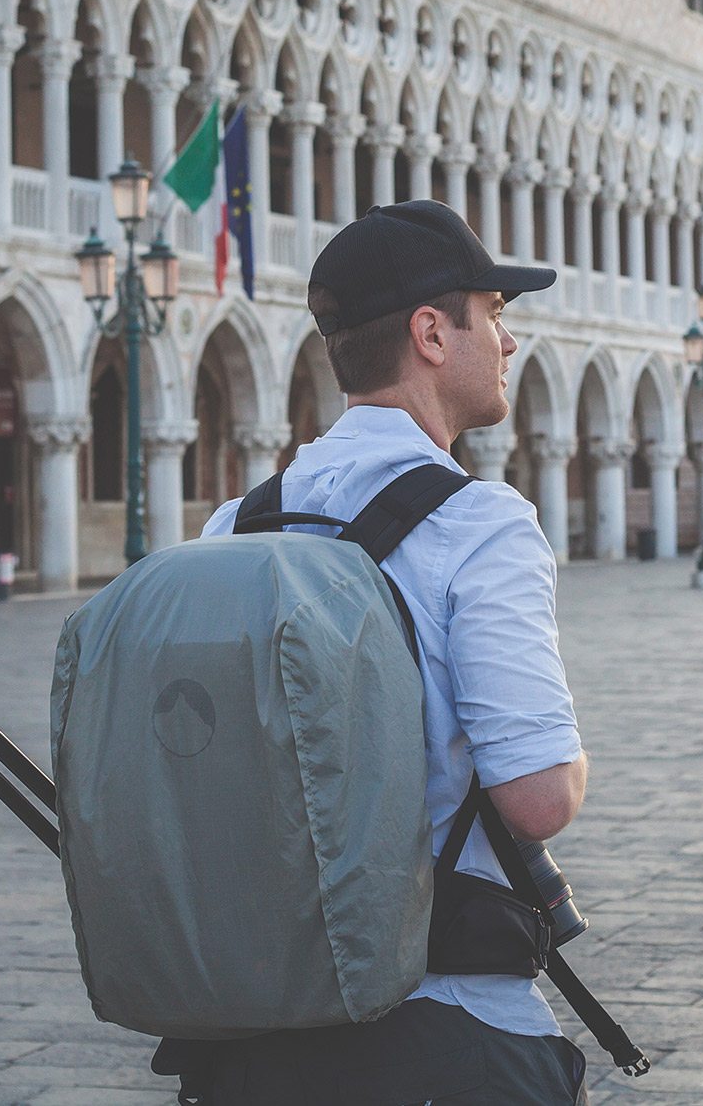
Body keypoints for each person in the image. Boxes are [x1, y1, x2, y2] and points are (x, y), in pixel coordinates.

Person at [197, 199, 590, 1104]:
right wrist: (574, 761)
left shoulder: (235, 524)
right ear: (430, 333)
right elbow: (536, 799)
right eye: (494, 313)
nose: (509, 340)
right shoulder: (481, 524)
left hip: (263, 1028)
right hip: (449, 1021)